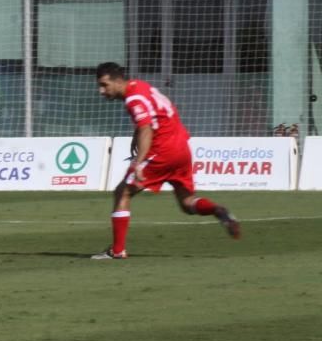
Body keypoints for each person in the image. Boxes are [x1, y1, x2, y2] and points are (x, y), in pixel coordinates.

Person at [92, 61, 241, 260]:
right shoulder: (141, 86)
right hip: (181, 148)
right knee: (187, 203)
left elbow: (147, 128)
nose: (101, 91)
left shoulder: (133, 99)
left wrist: (138, 162)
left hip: (162, 151)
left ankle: (118, 250)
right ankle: (218, 210)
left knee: (122, 192)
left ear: (117, 81)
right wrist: (136, 136)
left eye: (104, 85)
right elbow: (152, 117)